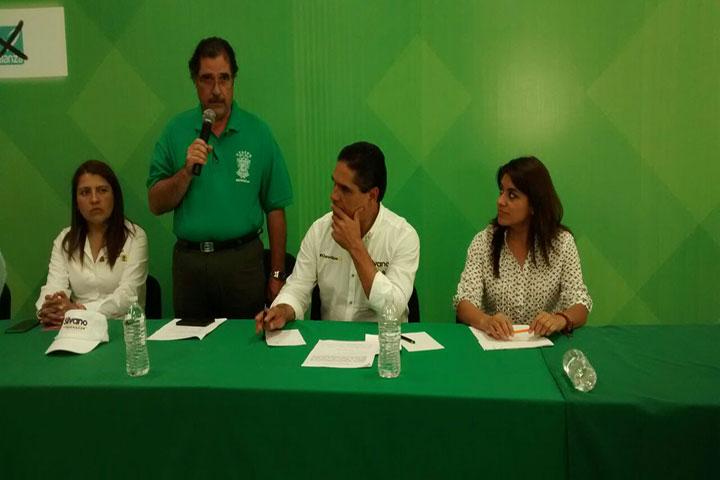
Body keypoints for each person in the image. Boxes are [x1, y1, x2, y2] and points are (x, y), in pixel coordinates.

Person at [148, 36, 292, 319]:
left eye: (224, 78)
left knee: (245, 342)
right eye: (207, 79)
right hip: (190, 264)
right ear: (195, 81)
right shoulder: (176, 130)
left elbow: (276, 209)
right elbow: (155, 203)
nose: (216, 90)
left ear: (233, 79)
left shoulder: (258, 132)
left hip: (242, 263)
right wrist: (185, 172)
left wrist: (277, 274)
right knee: (189, 344)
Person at [256, 141, 419, 333]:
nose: (333, 196)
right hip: (330, 341)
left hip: (383, 342)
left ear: (372, 196)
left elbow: (393, 309)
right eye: (334, 183)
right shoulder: (320, 230)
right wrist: (283, 310)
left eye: (345, 189)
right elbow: (297, 288)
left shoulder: (403, 236)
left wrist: (355, 246)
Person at [454, 156, 592, 340]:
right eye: (501, 191)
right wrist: (486, 321)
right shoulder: (484, 241)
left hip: (544, 344)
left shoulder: (562, 243)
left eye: (512, 195)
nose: (500, 201)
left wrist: (560, 319)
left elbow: (580, 303)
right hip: (497, 343)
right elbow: (464, 302)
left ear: (534, 204)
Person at [36, 160, 148, 325]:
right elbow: (54, 286)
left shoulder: (135, 237)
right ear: (76, 201)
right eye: (85, 192)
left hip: (123, 327)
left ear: (115, 196)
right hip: (77, 328)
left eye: (102, 190)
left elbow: (128, 296)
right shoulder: (65, 240)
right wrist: (49, 308)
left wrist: (78, 311)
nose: (94, 199)